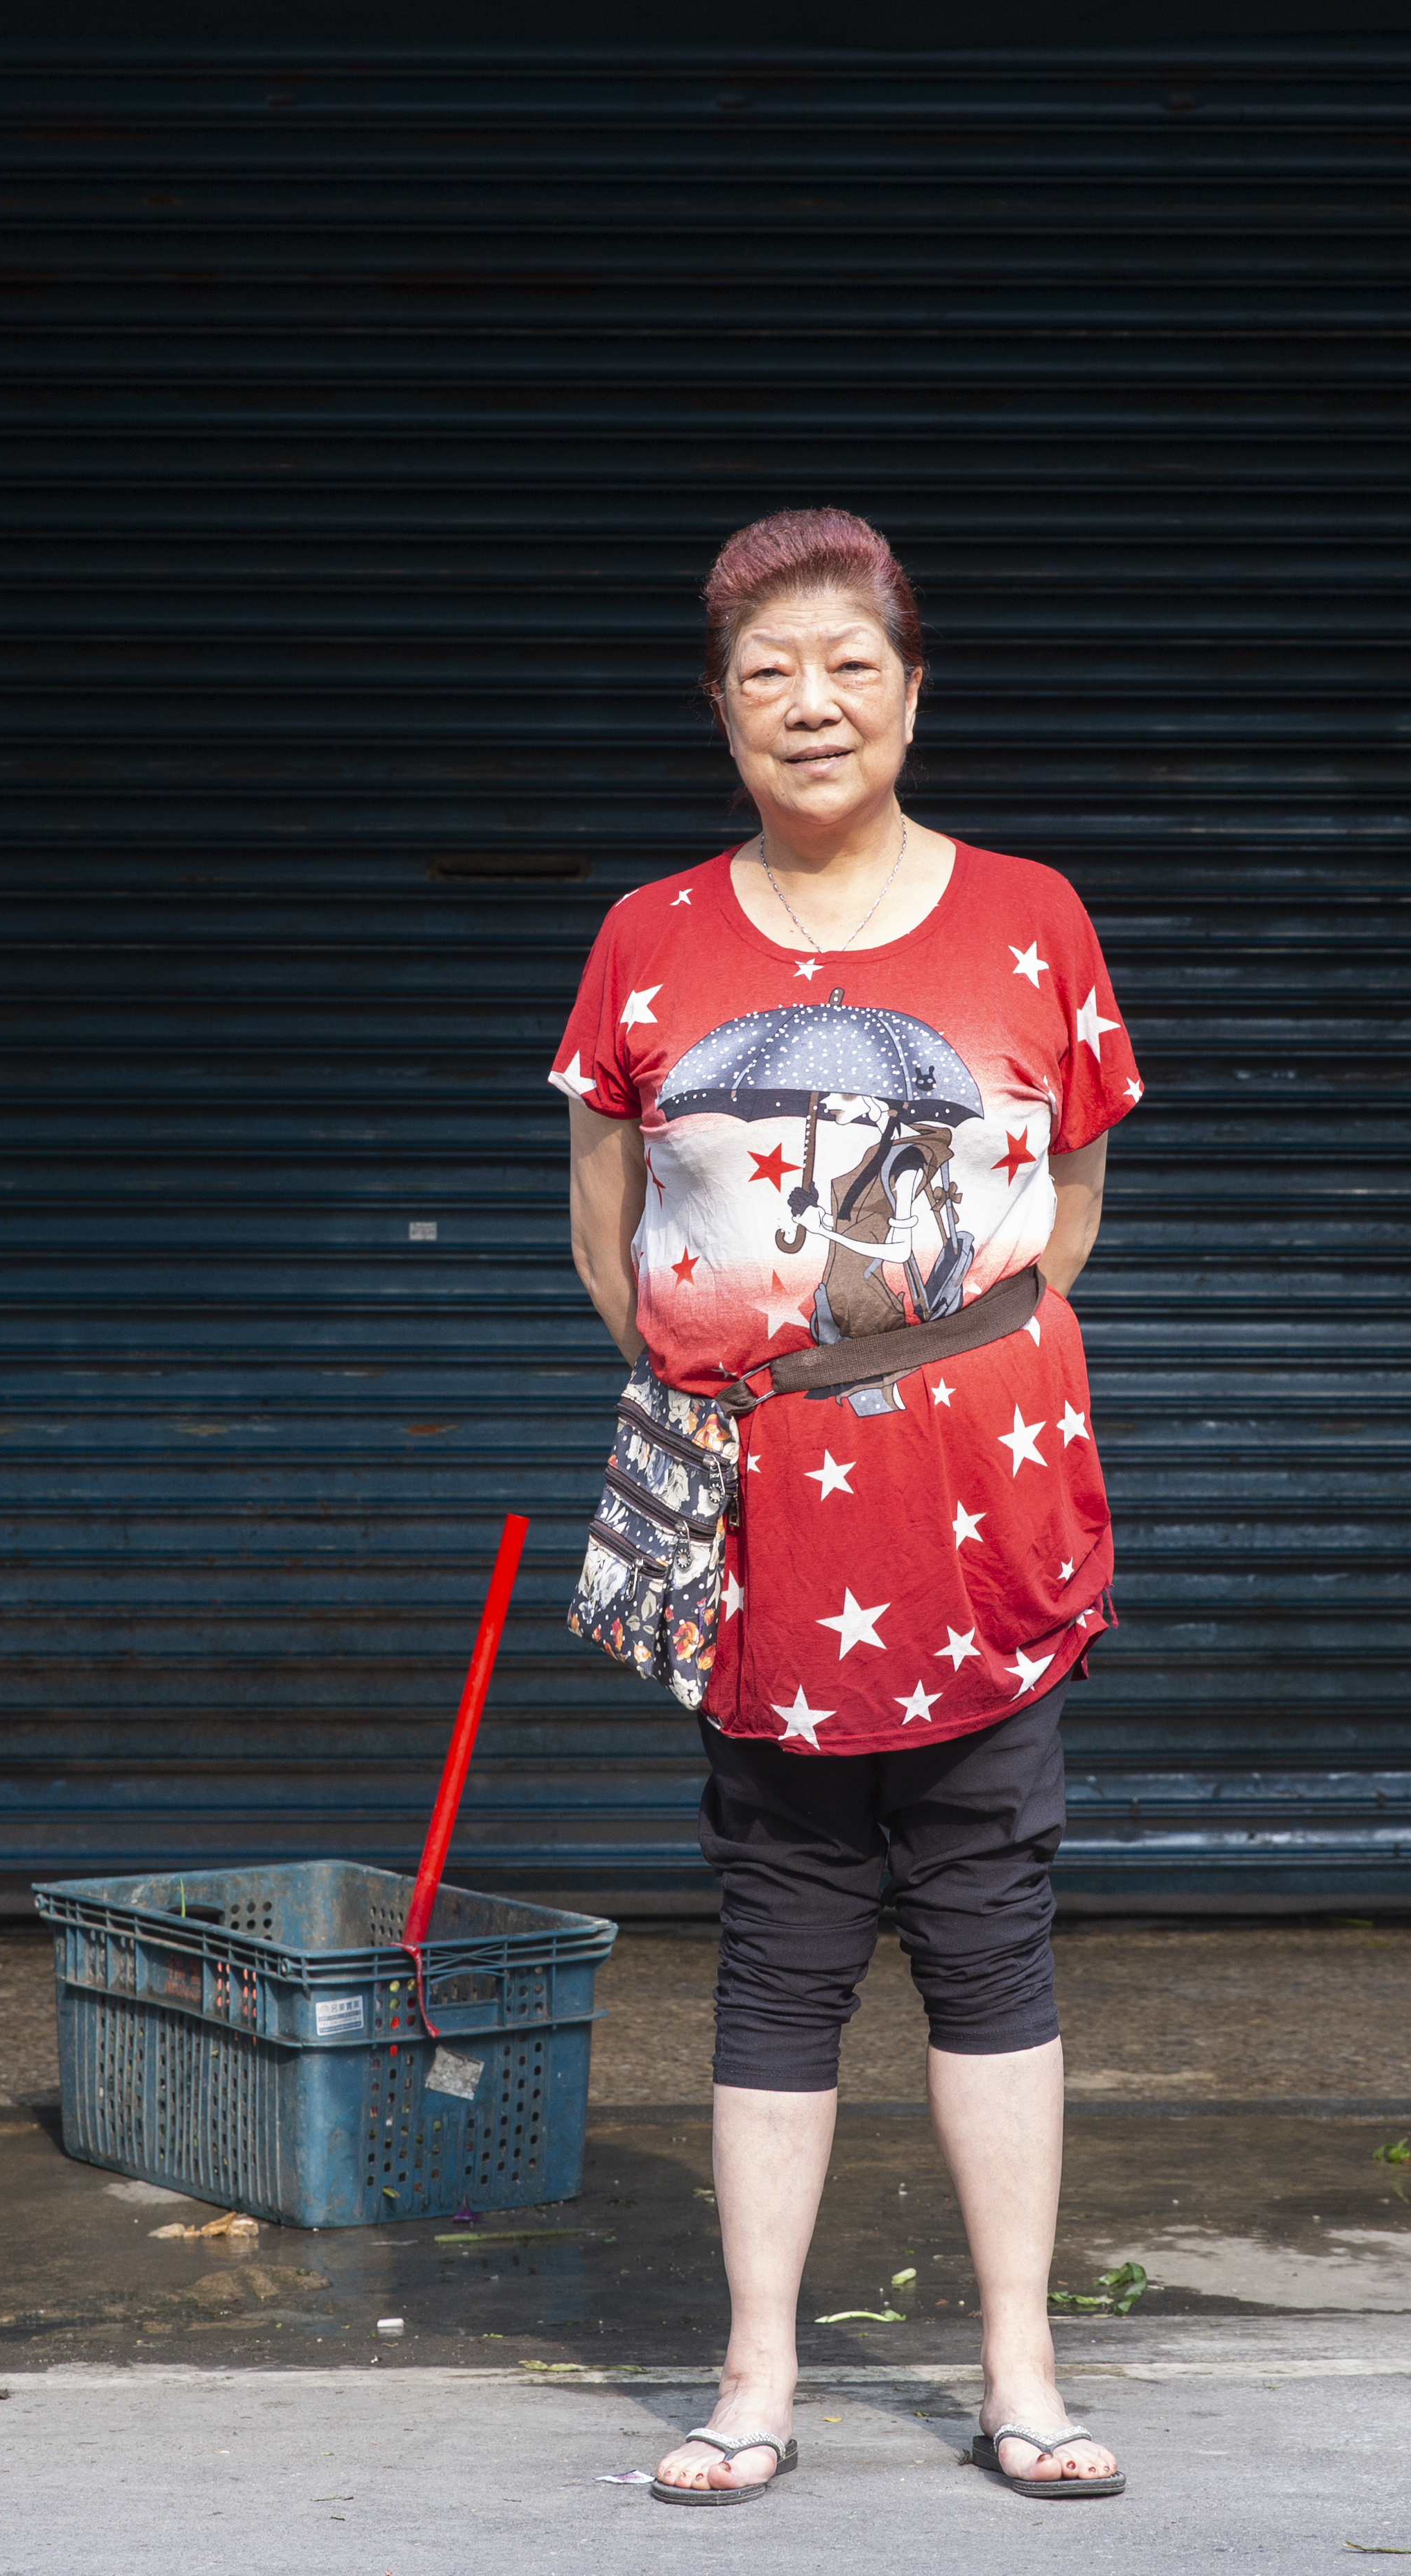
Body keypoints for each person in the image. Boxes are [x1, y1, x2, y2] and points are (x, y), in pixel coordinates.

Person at [551, 508, 1140, 2503]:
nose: (812, 705)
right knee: (778, 1942)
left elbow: (1069, 1212)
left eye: (849, 667)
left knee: (993, 1932)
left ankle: (1024, 2375)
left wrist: (932, 1370)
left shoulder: (1033, 916)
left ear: (911, 693)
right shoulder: (650, 936)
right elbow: (605, 1231)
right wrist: (738, 1387)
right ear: (721, 713)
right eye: (766, 675)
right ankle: (753, 2380)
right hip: (762, 1536)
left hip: (985, 1517)